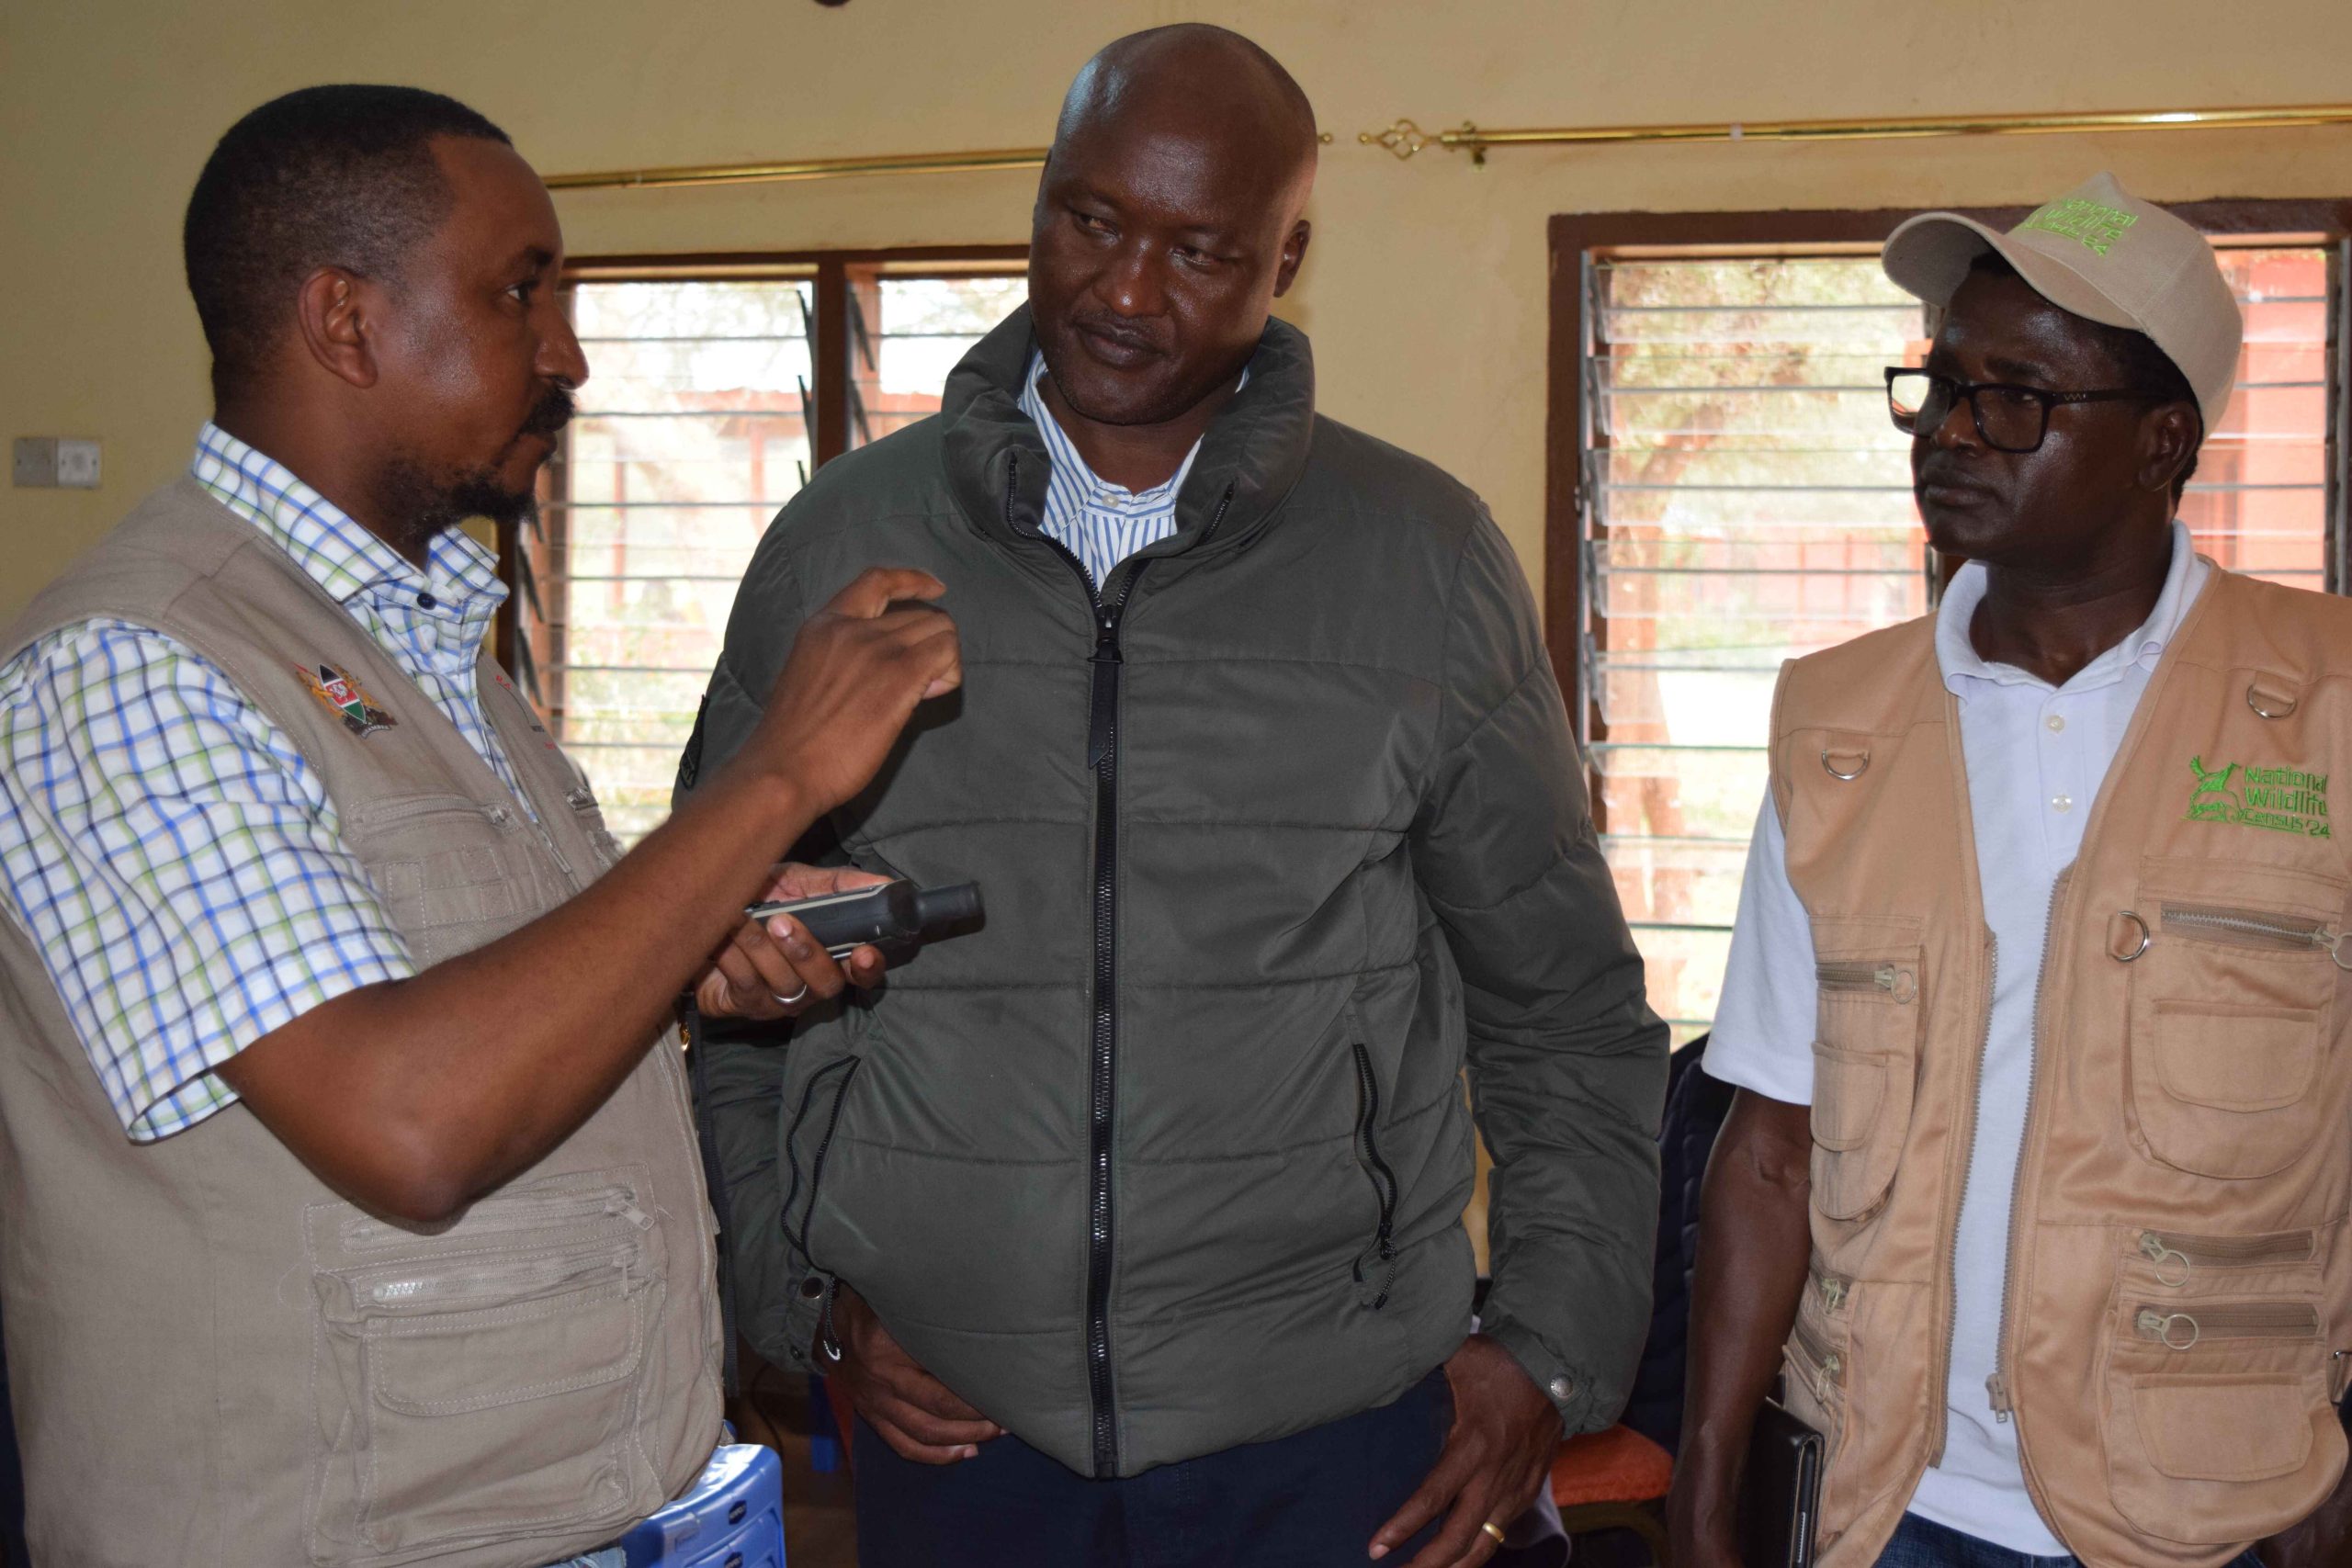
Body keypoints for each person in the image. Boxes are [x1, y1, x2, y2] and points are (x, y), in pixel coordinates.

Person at [682, 24, 1668, 1568]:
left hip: (1332, 1437)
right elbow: (707, 972)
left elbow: (1567, 1014)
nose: (1127, 292)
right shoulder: (840, 544)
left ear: (1288, 258)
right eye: (1091, 221)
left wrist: (1546, 1348)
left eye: (1201, 250)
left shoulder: (1420, 557)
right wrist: (800, 1304)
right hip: (954, 1436)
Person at [0, 85, 958, 1566]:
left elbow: (492, 995)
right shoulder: (135, 663)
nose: (566, 350)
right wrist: (772, 776)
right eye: (522, 291)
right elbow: (407, 1120)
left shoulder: (430, 651)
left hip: (599, 1502)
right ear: (346, 322)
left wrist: (702, 938)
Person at [1667, 172, 2352, 1568]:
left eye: (2017, 396)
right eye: (1938, 386)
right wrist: (1702, 1484)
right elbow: (1772, 1147)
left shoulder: (2328, 699)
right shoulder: (1837, 724)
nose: (1950, 434)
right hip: (1886, 1506)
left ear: (2165, 444)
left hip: (2218, 1511)